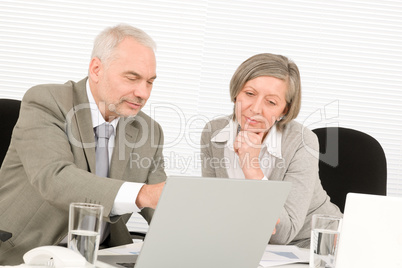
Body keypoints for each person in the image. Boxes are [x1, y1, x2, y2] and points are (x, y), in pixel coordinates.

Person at [0, 24, 167, 264]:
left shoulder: (149, 130)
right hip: (27, 252)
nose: (143, 93)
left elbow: (161, 203)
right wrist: (142, 194)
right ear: (97, 69)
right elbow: (55, 178)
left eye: (150, 82)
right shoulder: (46, 102)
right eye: (132, 78)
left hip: (103, 255)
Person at [200, 53, 342, 248]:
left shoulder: (302, 141)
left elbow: (283, 234)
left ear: (284, 110)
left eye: (271, 102)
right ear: (236, 93)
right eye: (249, 94)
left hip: (315, 245)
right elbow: (216, 208)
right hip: (254, 247)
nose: (256, 109)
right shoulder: (214, 134)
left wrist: (252, 169)